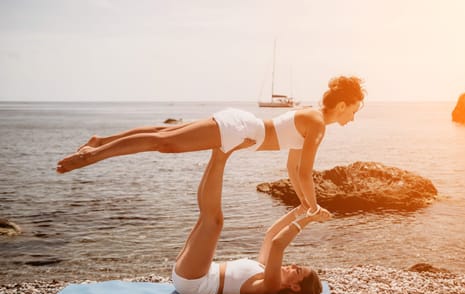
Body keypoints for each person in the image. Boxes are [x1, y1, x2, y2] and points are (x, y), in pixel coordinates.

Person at [56, 75, 365, 216]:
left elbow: (292, 168)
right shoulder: (318, 124)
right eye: (354, 109)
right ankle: (95, 154)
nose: (353, 117)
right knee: (165, 143)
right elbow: (305, 172)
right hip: (239, 130)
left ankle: (101, 142)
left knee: (163, 132)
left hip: (240, 125)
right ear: (341, 105)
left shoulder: (311, 115)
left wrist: (303, 203)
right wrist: (313, 207)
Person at [173, 142, 331, 294]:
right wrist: (300, 210)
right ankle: (218, 153)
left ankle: (221, 154)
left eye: (298, 271)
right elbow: (271, 235)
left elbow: (278, 244)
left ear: (295, 287)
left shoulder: (270, 286)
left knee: (214, 222)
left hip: (195, 283)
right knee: (206, 216)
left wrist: (307, 220)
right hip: (194, 273)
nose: (294, 265)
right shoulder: (263, 268)